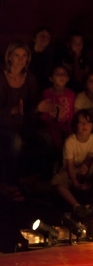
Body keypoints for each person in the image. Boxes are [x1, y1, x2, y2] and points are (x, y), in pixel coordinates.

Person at [0, 41, 54, 198]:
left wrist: (39, 108)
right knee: (15, 141)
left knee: (45, 138)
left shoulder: (30, 78)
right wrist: (12, 110)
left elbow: (31, 107)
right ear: (9, 57)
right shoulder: (1, 78)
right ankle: (11, 184)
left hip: (23, 124)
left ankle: (42, 180)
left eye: (24, 56)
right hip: (3, 125)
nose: (20, 59)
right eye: (17, 55)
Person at [51, 109, 93, 218]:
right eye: (81, 122)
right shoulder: (70, 142)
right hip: (72, 169)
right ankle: (77, 206)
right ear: (75, 125)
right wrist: (75, 182)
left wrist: (86, 166)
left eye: (88, 122)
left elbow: (92, 157)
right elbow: (70, 165)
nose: (84, 125)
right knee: (56, 181)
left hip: (87, 169)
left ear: (92, 125)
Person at [40, 64, 75, 156]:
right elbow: (45, 116)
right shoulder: (47, 93)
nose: (61, 76)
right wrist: (57, 126)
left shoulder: (70, 94)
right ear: (51, 78)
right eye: (58, 74)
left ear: (68, 78)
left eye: (64, 74)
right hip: (52, 125)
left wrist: (69, 127)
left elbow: (71, 113)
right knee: (57, 140)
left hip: (66, 125)